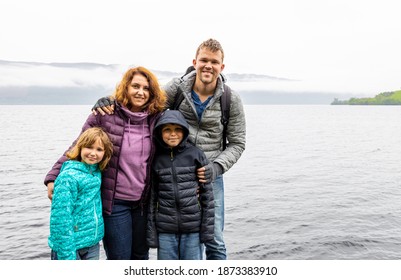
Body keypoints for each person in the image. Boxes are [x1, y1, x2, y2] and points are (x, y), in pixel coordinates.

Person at [92, 38, 246, 260]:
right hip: (171, 170)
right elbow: (145, 103)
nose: (208, 66)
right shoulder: (178, 88)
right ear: (195, 62)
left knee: (214, 239)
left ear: (222, 67)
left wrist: (216, 167)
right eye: (203, 60)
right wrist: (112, 100)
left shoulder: (230, 99)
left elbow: (238, 142)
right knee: (168, 234)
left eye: (214, 62)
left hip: (208, 176)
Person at [45, 66, 167, 259]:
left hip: (143, 203)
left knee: (141, 257)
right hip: (115, 202)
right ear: (125, 87)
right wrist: (53, 176)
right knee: (120, 258)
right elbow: (78, 146)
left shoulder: (157, 118)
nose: (140, 92)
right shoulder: (105, 114)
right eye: (135, 86)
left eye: (146, 88)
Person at [147, 109, 214, 260]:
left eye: (177, 129)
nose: (173, 134)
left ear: (184, 131)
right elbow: (152, 198)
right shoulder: (155, 158)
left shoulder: (195, 154)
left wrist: (206, 231)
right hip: (165, 229)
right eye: (167, 130)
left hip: (193, 228)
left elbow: (207, 197)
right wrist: (152, 233)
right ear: (159, 132)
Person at [48, 127, 113, 260]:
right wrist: (66, 255)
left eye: (99, 149)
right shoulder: (68, 177)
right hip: (70, 247)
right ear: (80, 148)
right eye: (89, 147)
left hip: (92, 244)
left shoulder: (96, 172)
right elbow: (60, 219)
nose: (93, 153)